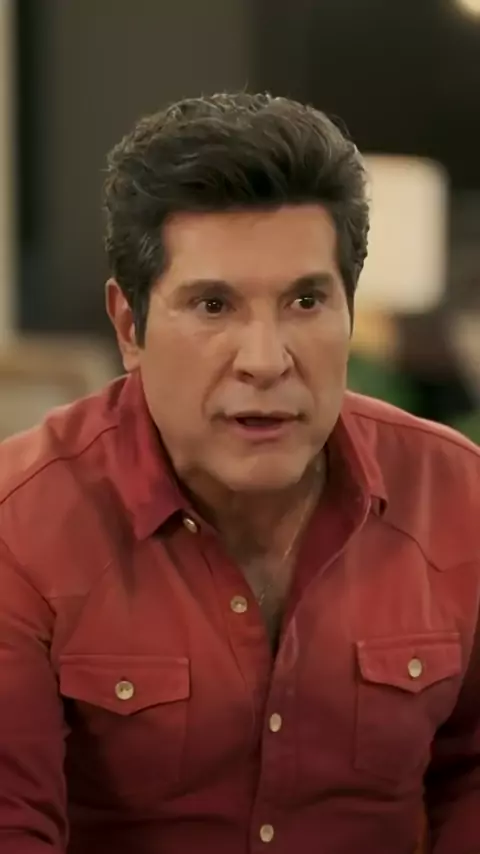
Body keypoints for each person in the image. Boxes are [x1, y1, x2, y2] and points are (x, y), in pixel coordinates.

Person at [0, 93, 478, 854]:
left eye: (306, 301)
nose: (265, 360)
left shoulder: (458, 496)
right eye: (214, 305)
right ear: (130, 326)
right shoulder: (20, 523)